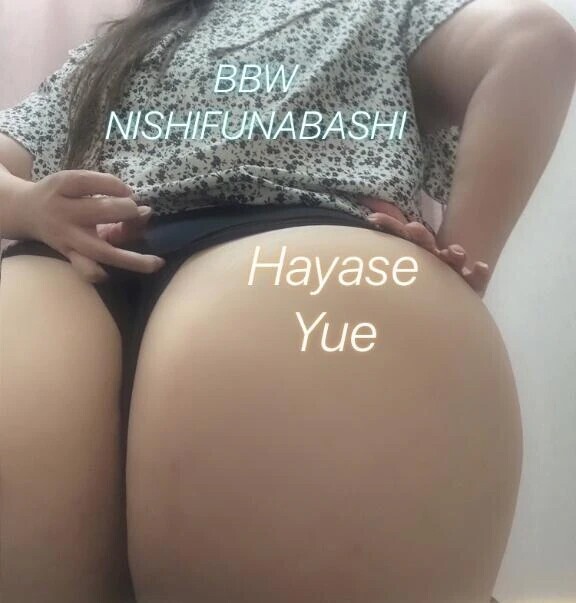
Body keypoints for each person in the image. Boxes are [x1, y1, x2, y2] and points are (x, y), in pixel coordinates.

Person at [0, 0, 574, 602]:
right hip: (259, 267)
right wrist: (29, 208)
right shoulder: (111, 51)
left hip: (158, 270)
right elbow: (533, 45)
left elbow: (535, 45)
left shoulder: (376, 9)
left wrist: (462, 260)